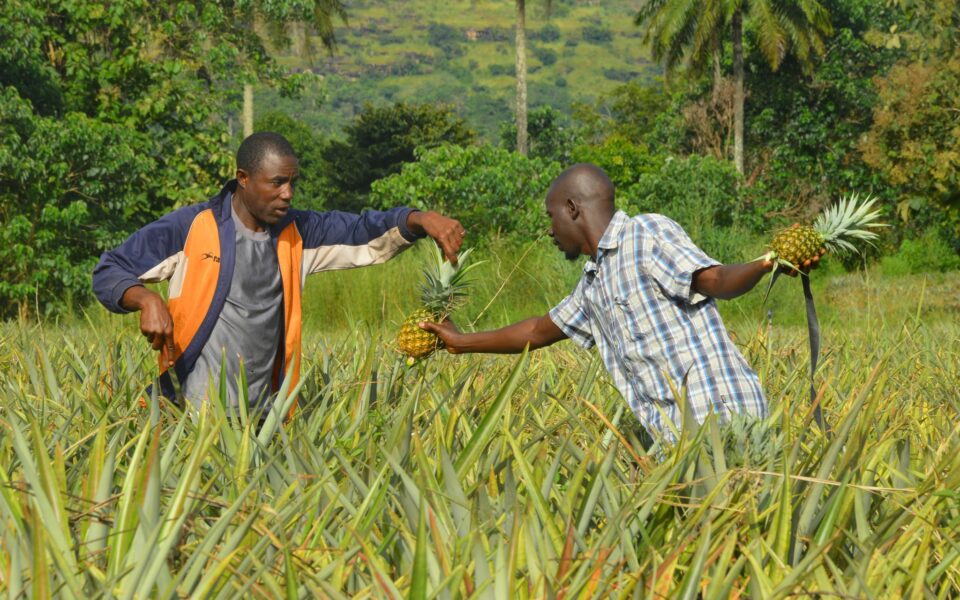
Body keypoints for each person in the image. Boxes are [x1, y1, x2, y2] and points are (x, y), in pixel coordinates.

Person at [420, 163, 820, 443]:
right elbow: (538, 330)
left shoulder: (646, 234)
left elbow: (714, 279)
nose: (549, 231)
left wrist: (768, 263)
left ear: (573, 209)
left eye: (551, 216)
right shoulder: (593, 283)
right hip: (676, 440)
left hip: (723, 419)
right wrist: (460, 342)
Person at [93, 131, 466, 413]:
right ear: (243, 178)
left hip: (264, 418)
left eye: (292, 182)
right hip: (189, 415)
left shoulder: (298, 233)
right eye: (276, 183)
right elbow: (111, 269)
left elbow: (361, 232)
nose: (288, 194)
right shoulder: (190, 227)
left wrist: (418, 219)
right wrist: (144, 299)